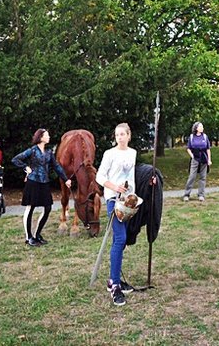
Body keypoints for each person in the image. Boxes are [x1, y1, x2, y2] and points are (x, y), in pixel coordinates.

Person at [96, 122, 138, 306]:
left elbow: (133, 175)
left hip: (129, 201)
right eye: (117, 134)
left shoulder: (133, 153)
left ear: (129, 135)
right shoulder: (109, 154)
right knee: (120, 239)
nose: (119, 137)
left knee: (120, 240)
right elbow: (100, 176)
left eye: (122, 134)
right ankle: (114, 285)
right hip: (114, 200)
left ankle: (114, 278)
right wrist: (115, 187)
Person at [12, 129, 71, 247]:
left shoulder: (49, 152)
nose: (49, 137)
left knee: (48, 208)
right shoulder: (32, 150)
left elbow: (57, 167)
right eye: (47, 135)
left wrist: (66, 179)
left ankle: (37, 234)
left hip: (44, 183)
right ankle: (29, 238)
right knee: (30, 208)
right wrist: (25, 167)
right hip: (33, 182)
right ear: (41, 137)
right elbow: (15, 159)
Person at [182, 122, 211, 202]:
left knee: (203, 177)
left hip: (204, 159)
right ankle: (186, 195)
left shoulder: (205, 137)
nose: (202, 128)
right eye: (201, 126)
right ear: (196, 128)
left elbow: (208, 149)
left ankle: (201, 195)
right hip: (195, 159)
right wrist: (192, 156)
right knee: (192, 176)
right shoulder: (191, 137)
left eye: (202, 126)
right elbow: (188, 148)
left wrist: (209, 160)